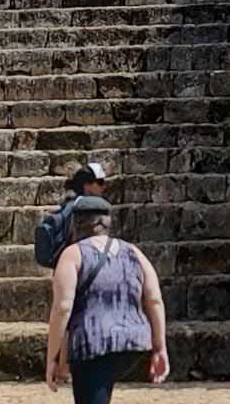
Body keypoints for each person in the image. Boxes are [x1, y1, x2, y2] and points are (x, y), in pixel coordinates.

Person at [46, 196, 169, 403]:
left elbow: (62, 308)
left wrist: (53, 357)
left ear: (76, 223)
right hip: (133, 344)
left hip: (93, 343)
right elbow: (154, 299)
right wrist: (159, 348)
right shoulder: (134, 252)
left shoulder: (73, 255)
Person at [36, 163, 111, 267]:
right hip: (79, 263)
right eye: (100, 182)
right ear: (87, 185)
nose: (104, 186)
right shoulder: (84, 207)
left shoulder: (71, 204)